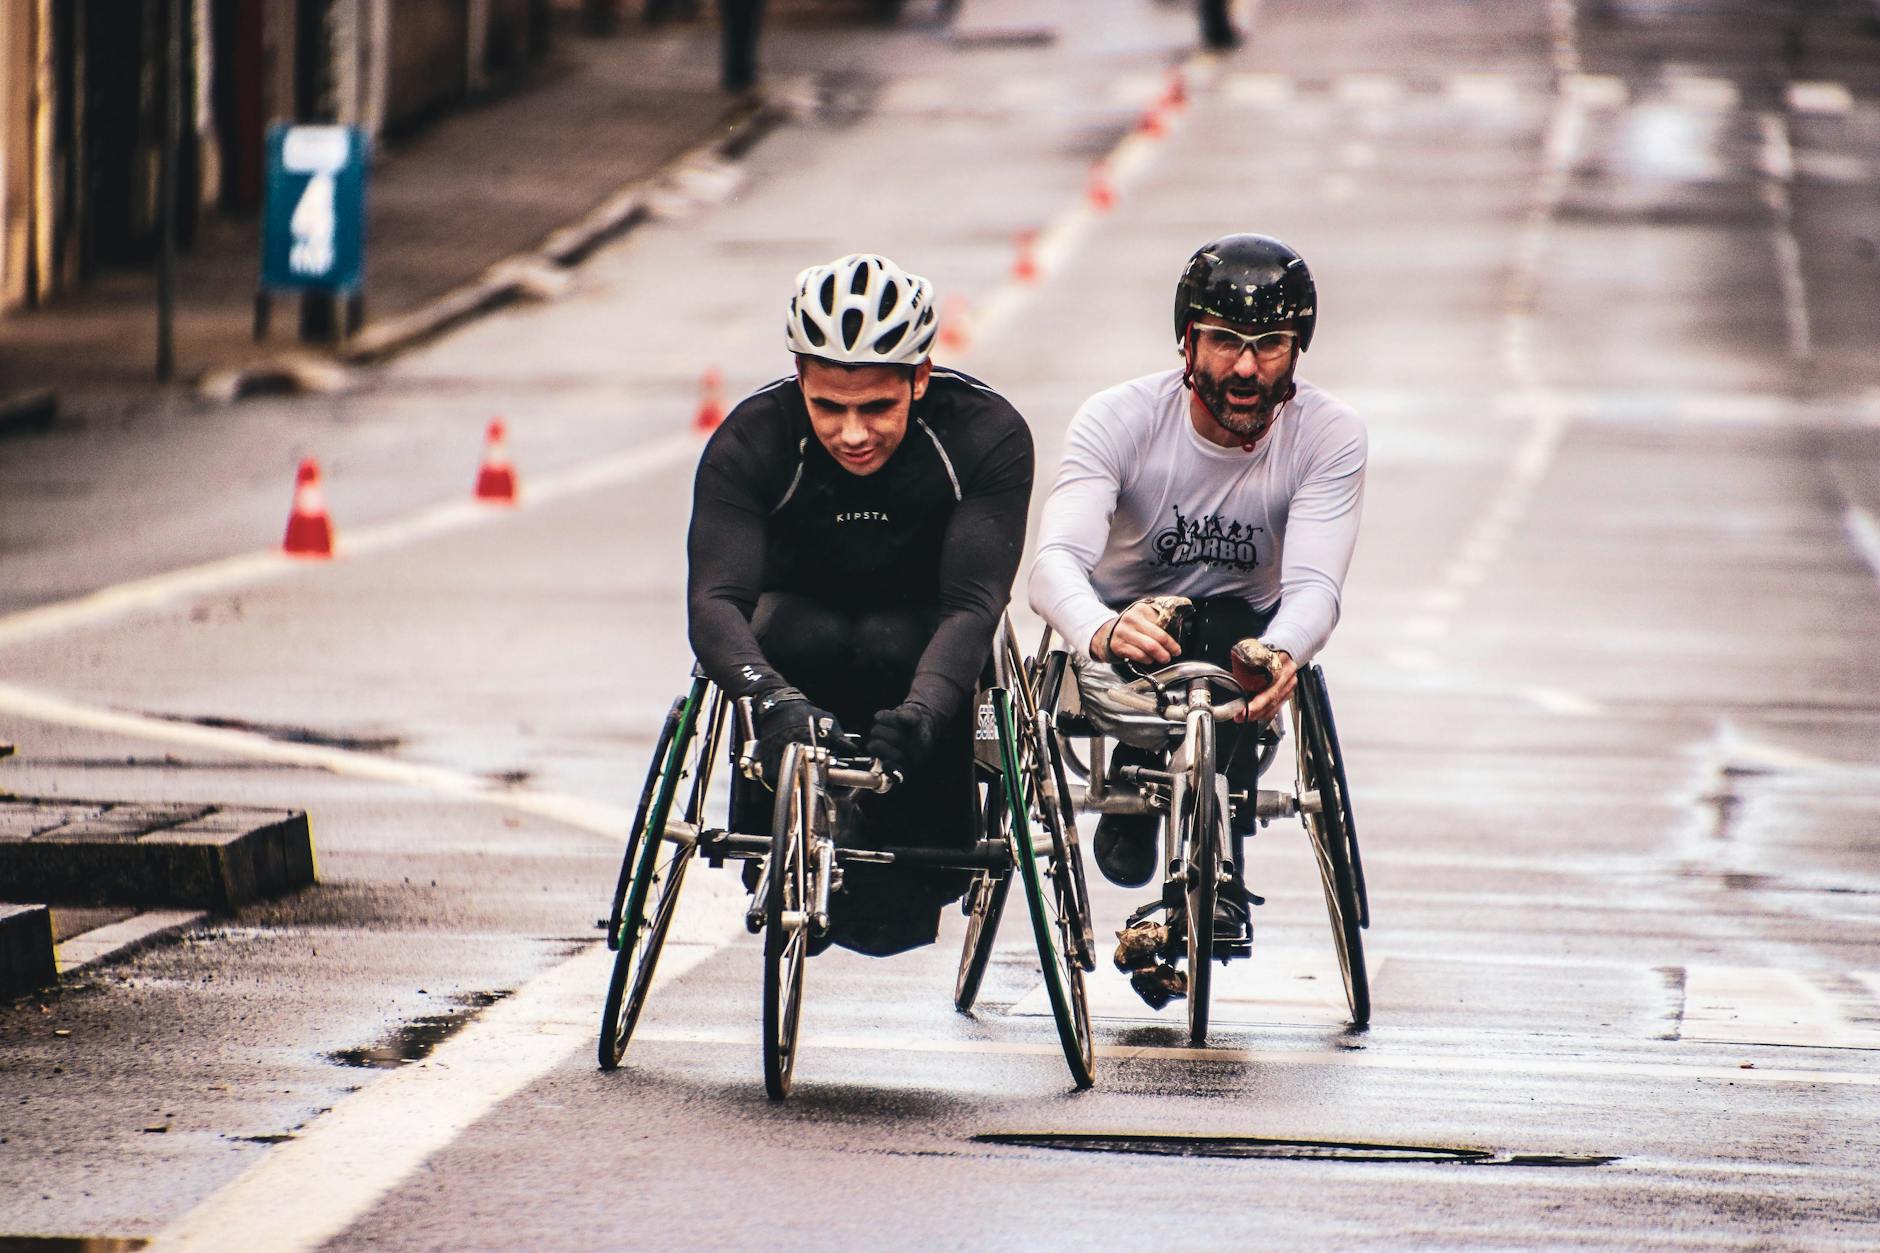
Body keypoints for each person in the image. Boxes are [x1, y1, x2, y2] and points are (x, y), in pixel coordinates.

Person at [1028, 233, 1366, 1003]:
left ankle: (1215, 872)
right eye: (1224, 342)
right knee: (1187, 624)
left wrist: (1282, 652)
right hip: (1121, 634)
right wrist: (1102, 631)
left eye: (1270, 346)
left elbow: (1315, 584)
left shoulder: (1330, 435)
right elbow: (1050, 566)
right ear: (1187, 341)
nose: (1245, 369)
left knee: (1232, 630)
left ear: (1296, 350)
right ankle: (1143, 789)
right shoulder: (1119, 418)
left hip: (1240, 636)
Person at [687, 252, 1035, 957]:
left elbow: (974, 605)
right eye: (828, 407)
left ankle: (904, 849)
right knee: (789, 630)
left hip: (917, 639)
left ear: (921, 377)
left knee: (893, 641)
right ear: (798, 381)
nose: (852, 433)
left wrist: (923, 716)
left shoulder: (984, 435)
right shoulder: (752, 438)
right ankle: (782, 837)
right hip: (796, 636)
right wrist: (772, 698)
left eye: (877, 406)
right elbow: (715, 600)